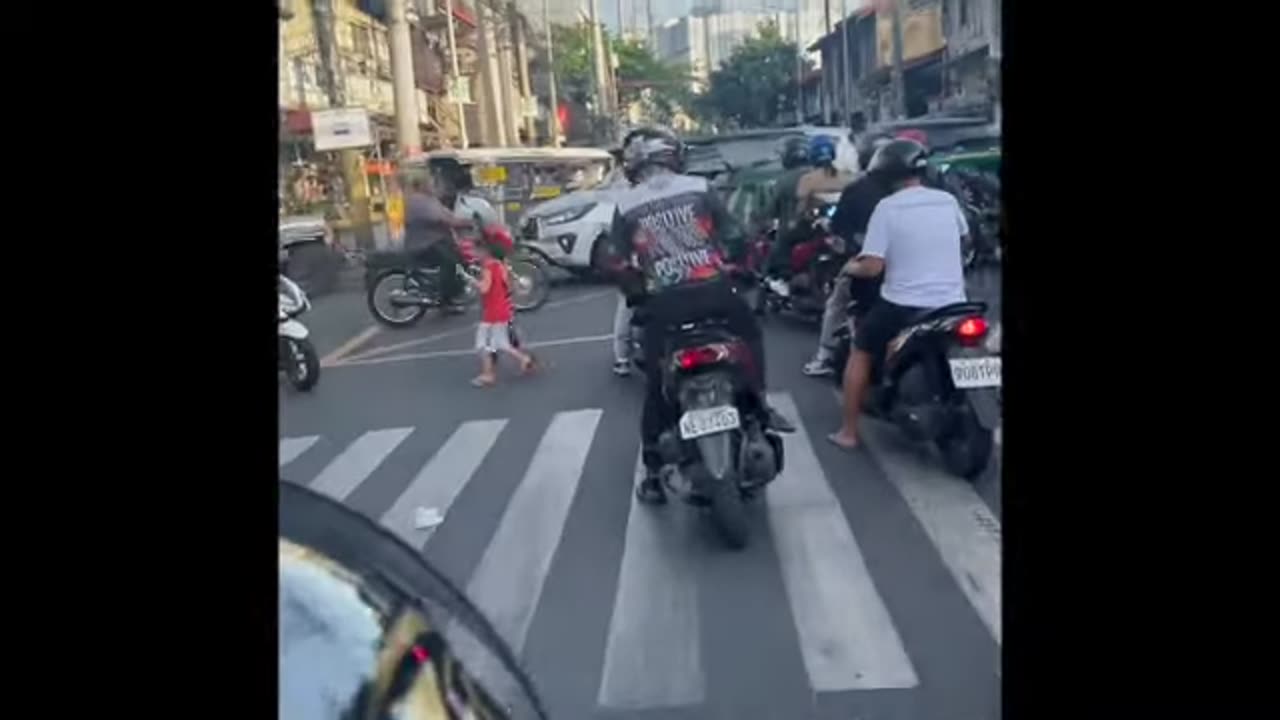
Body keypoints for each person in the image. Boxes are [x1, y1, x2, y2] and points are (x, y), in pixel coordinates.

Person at [604, 126, 795, 505]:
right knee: (750, 336)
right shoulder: (700, 188)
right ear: (673, 157)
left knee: (658, 384)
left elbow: (616, 261)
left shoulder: (625, 206)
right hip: (715, 293)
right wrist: (739, 265)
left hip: (664, 304)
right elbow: (735, 238)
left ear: (635, 166)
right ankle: (758, 402)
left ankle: (654, 474)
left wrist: (636, 292)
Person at [828, 138, 970, 449]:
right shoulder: (947, 201)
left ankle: (848, 433)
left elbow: (873, 267)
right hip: (955, 304)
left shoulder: (887, 208)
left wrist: (850, 267)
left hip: (904, 305)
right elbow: (963, 241)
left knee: (861, 350)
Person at [801, 136, 895, 377]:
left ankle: (825, 355)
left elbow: (838, 231)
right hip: (919, 271)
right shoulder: (921, 191)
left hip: (873, 267)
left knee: (837, 303)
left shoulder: (856, 189)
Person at [765, 135, 854, 298]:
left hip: (807, 228)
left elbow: (776, 209)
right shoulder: (844, 176)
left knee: (781, 243)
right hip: (836, 228)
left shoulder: (789, 181)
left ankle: (780, 277)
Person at [400, 163, 473, 313]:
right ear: (422, 184)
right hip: (424, 245)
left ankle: (455, 291)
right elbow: (441, 219)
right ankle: (446, 301)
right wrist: (464, 223)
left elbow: (447, 214)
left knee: (460, 255)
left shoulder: (429, 199)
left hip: (434, 242)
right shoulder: (418, 200)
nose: (434, 184)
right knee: (451, 263)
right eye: (431, 182)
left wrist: (465, 219)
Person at [466, 236, 536, 387]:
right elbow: (508, 286)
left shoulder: (488, 268)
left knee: (482, 344)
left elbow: (485, 288)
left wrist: (472, 281)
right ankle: (524, 359)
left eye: (474, 250)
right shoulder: (500, 265)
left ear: (483, 251)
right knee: (501, 343)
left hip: (492, 312)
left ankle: (488, 375)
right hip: (503, 308)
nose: (472, 253)